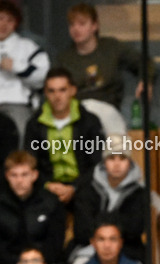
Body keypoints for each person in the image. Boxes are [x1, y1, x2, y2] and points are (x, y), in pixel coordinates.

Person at [56, 3, 156, 135]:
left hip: (108, 110)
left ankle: (118, 148)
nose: (76, 29)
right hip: (77, 114)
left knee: (115, 135)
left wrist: (146, 80)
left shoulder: (111, 48)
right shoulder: (64, 59)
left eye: (82, 24)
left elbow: (144, 62)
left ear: (95, 26)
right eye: (72, 25)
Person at [24, 67, 105, 206]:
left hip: (83, 186)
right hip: (48, 187)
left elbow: (97, 163)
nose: (57, 96)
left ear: (73, 91)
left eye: (62, 90)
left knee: (88, 201)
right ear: (45, 93)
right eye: (52, 91)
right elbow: (30, 162)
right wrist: (48, 184)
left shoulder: (89, 121)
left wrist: (74, 187)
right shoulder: (34, 124)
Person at [71, 135, 151, 264]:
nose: (117, 164)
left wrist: (101, 223)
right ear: (104, 162)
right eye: (111, 158)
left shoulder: (139, 194)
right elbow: (81, 230)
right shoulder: (87, 190)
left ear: (130, 162)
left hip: (129, 251)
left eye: (123, 158)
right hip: (89, 249)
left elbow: (135, 229)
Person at [0, 150, 67, 264]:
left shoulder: (51, 202)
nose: (19, 180)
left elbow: (55, 242)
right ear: (7, 176)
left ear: (34, 175)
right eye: (14, 175)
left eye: (24, 174)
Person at [0, 0, 49, 138]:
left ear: (16, 23)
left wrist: (16, 67)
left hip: (18, 105)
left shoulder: (28, 47)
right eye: (0, 18)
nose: (4, 24)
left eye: (9, 20)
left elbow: (42, 78)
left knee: (24, 136)